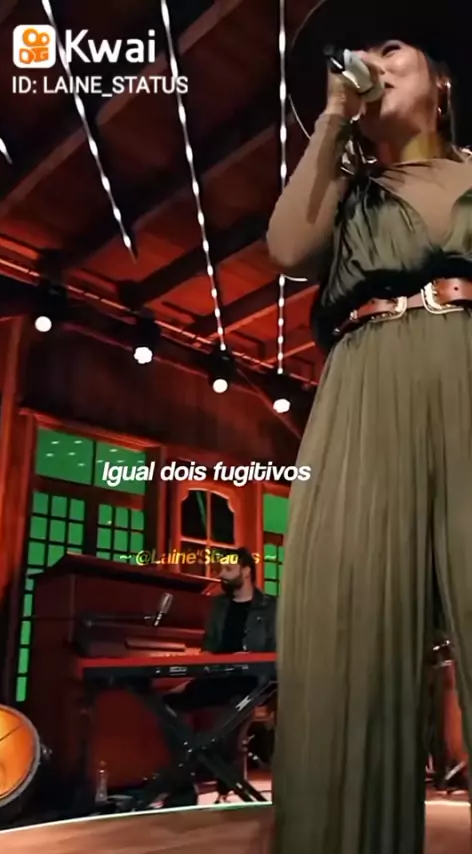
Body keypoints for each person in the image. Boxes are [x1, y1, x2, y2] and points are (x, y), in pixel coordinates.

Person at [266, 2, 471, 853]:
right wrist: (331, 121)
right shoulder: (346, 194)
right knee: (346, 637)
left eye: (392, 46)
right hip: (362, 395)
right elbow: (288, 249)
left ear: (442, 80)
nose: (371, 63)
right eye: (359, 53)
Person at [163, 548, 276, 806]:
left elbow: (276, 650)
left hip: (251, 682)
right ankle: (182, 789)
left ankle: (229, 784)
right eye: (221, 569)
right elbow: (209, 645)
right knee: (168, 705)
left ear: (246, 571)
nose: (222, 575)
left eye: (228, 569)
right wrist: (200, 664)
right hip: (216, 676)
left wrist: (249, 656)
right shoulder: (218, 605)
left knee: (226, 731)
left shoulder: (270, 607)